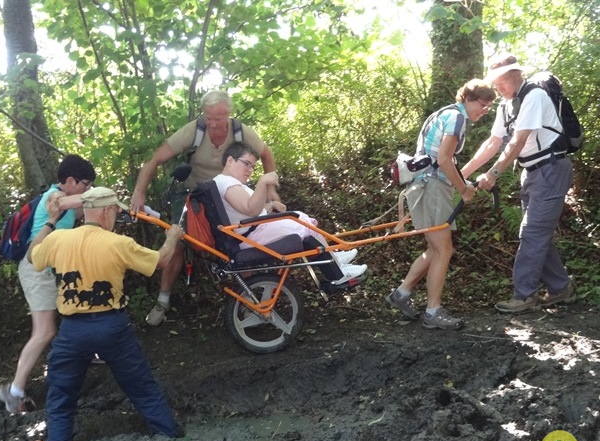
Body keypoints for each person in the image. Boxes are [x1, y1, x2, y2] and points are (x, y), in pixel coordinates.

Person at [28, 186, 185, 441]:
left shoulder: (58, 240)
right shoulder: (117, 243)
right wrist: (172, 237)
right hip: (112, 327)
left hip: (72, 330)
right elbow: (161, 261)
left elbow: (32, 256)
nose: (116, 216)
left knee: (61, 394)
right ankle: (169, 438)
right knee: (141, 386)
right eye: (116, 211)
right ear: (107, 211)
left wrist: (51, 221)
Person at [130, 90, 280, 326]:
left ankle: (252, 295)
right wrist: (139, 192)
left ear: (228, 114)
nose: (212, 123)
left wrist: (271, 192)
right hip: (194, 193)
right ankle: (163, 300)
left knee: (242, 239)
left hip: (228, 192)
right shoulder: (194, 130)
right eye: (208, 117)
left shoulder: (240, 131)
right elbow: (155, 158)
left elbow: (266, 154)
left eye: (218, 118)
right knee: (176, 240)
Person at [461, 54, 576, 313]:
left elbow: (518, 141)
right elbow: (493, 142)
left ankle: (525, 295)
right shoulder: (506, 105)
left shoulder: (534, 96)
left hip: (551, 169)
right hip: (532, 173)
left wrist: (493, 174)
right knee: (537, 234)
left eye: (502, 81)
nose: (498, 87)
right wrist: (462, 174)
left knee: (532, 233)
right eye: (495, 82)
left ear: (517, 74)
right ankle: (562, 288)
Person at [386, 79, 496, 329]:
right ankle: (433, 313)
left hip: (425, 186)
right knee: (443, 249)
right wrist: (463, 189)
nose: (485, 110)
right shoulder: (456, 118)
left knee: (435, 249)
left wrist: (462, 182)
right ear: (467, 98)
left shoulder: (445, 113)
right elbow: (445, 159)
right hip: (431, 188)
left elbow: (440, 159)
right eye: (483, 104)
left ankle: (401, 295)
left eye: (489, 107)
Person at [0, 154, 96, 413]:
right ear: (70, 181)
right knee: (44, 331)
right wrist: (100, 195)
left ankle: (89, 354)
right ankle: (14, 391)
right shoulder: (53, 198)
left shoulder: (70, 201)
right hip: (36, 269)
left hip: (55, 270)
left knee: (78, 310)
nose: (88, 188)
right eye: (86, 183)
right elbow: (74, 202)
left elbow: (89, 210)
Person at [214, 141, 367, 284]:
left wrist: (272, 204)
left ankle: (334, 258)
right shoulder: (227, 183)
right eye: (247, 164)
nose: (250, 170)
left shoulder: (227, 183)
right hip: (250, 237)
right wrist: (262, 182)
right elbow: (250, 209)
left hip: (251, 232)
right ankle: (338, 273)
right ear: (230, 161)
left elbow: (247, 211)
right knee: (302, 223)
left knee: (300, 217)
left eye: (252, 166)